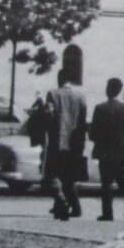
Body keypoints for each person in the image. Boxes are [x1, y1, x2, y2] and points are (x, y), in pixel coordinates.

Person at [90, 77, 124, 222]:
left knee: (106, 184)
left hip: (105, 153)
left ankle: (107, 213)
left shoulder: (100, 108)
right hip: (122, 152)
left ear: (108, 89)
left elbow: (93, 133)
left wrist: (98, 142)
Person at [45, 68, 89, 221]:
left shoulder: (53, 94)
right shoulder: (81, 96)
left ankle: (62, 202)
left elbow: (49, 116)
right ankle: (75, 207)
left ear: (59, 79)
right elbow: (83, 122)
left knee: (53, 175)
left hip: (58, 142)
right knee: (69, 177)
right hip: (75, 143)